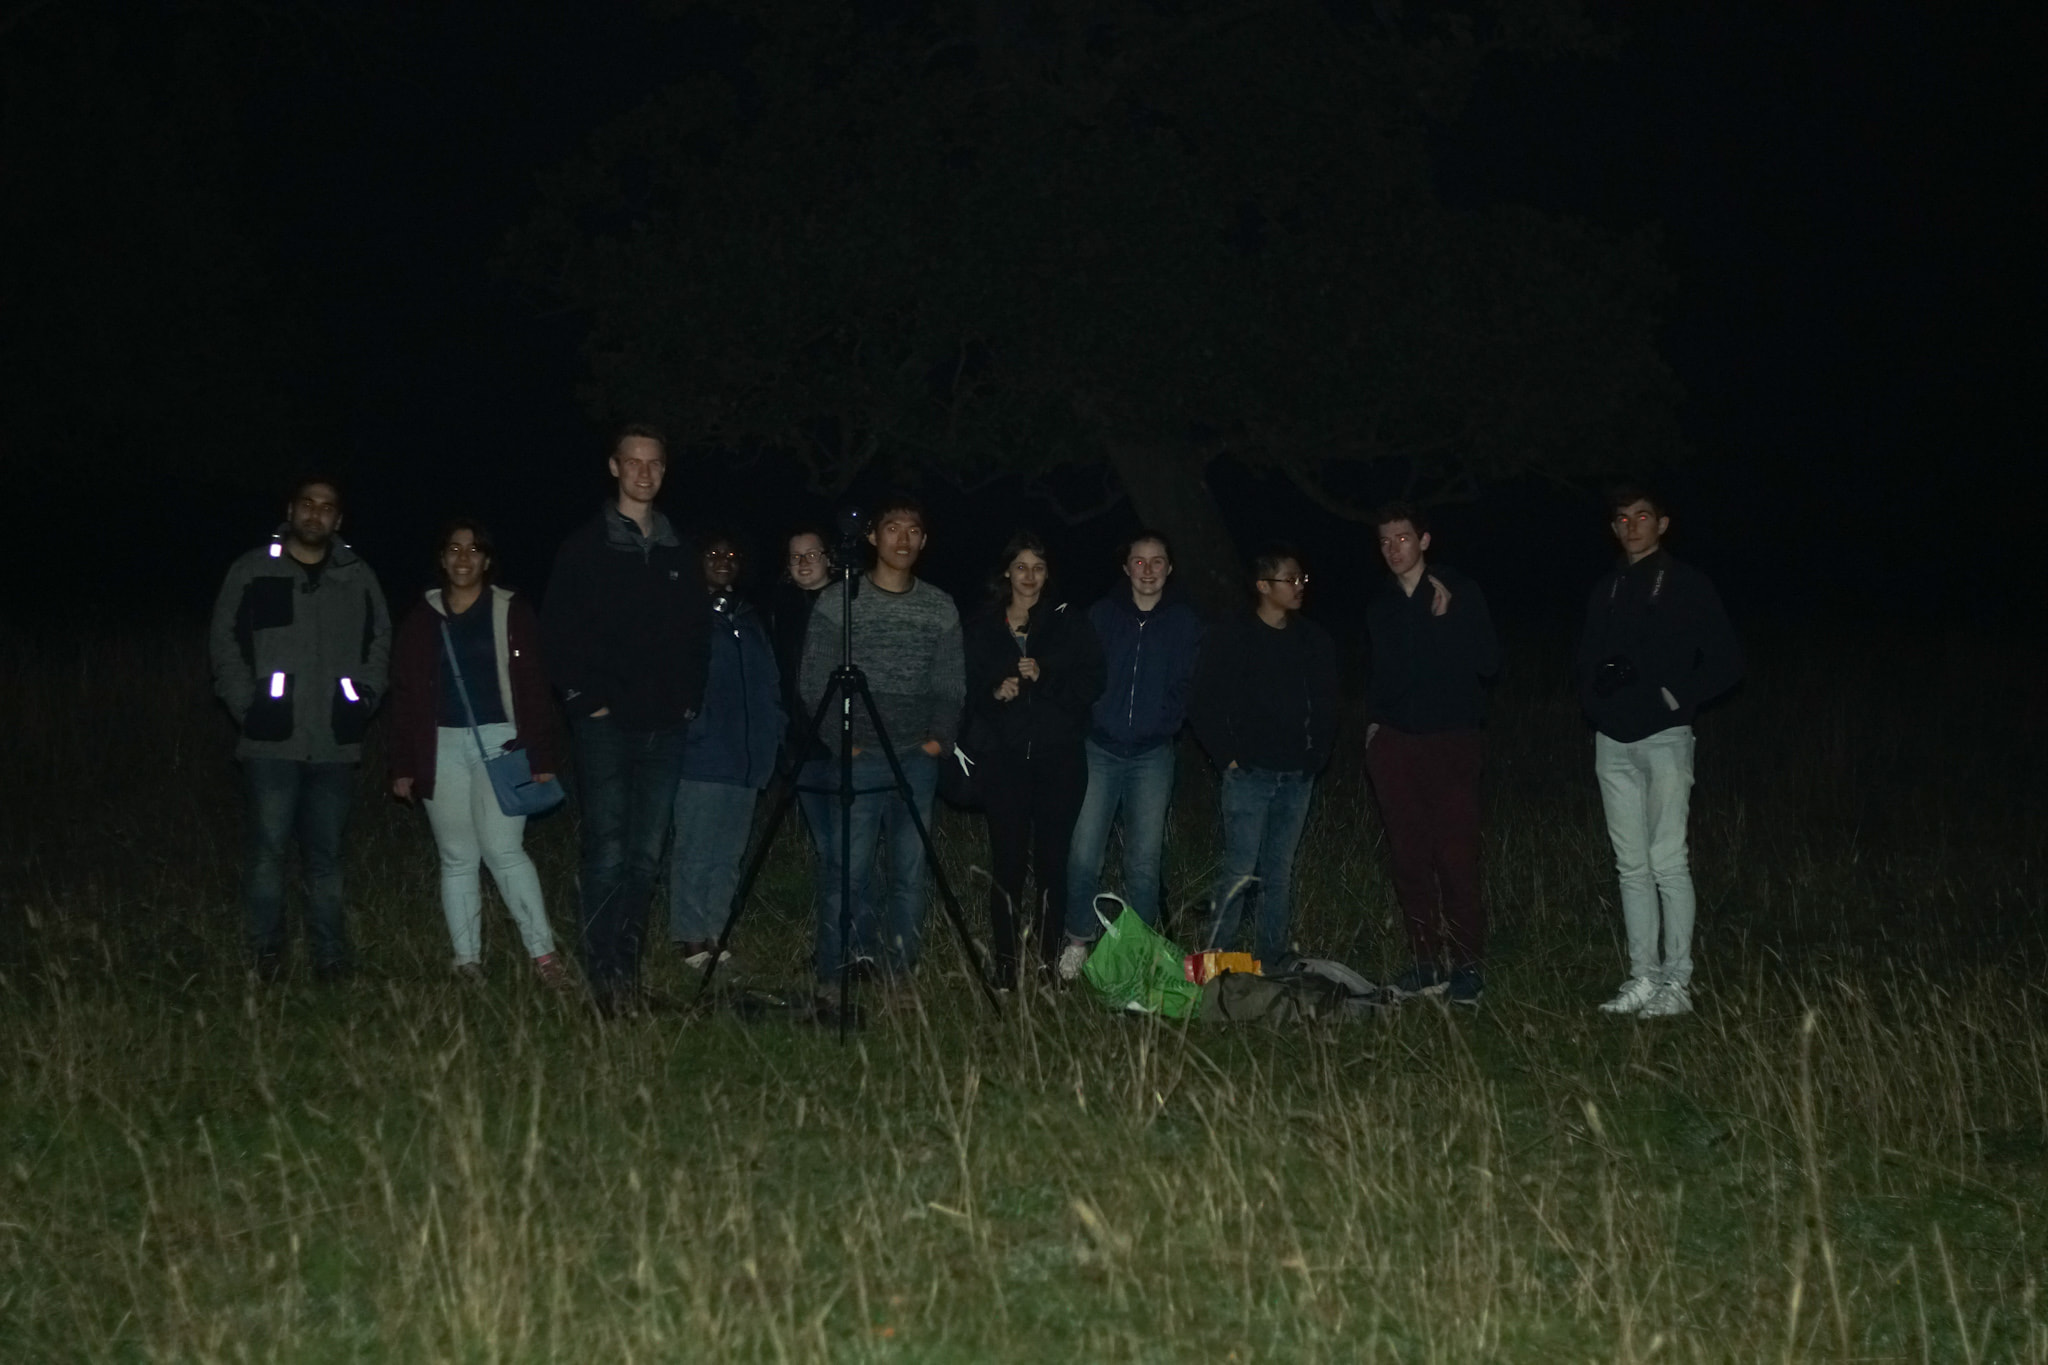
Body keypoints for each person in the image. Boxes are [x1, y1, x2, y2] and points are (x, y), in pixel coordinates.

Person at [541, 424, 711, 1016]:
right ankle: (601, 978)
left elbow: (697, 633)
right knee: (606, 852)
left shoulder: (677, 549)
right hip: (605, 726)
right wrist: (587, 701)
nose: (645, 472)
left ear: (664, 471)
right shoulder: (584, 547)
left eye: (655, 464)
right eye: (634, 462)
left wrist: (689, 697)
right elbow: (557, 633)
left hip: (665, 726)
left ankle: (626, 973)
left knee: (645, 856)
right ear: (614, 467)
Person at [208, 475, 391, 981]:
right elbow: (223, 641)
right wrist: (247, 706)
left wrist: (363, 700)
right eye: (307, 504)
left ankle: (331, 960)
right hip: (271, 743)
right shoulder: (252, 570)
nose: (316, 513)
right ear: (291, 510)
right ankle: (266, 959)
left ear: (338, 519)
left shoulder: (357, 576)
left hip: (334, 743)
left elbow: (380, 641)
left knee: (326, 859)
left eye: (327, 507)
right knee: (267, 856)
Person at [1577, 485, 1743, 1018]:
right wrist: (1594, 700)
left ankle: (1679, 981)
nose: (1632, 527)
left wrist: (1677, 696)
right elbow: (1586, 658)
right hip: (1613, 740)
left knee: (1668, 861)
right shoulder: (1606, 588)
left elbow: (1728, 661)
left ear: (1663, 524)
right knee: (1630, 865)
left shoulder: (1687, 583)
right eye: (1622, 518)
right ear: (1614, 527)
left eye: (1643, 516)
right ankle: (1642, 977)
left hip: (1666, 737)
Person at [796, 496, 965, 1001]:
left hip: (917, 757)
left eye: (913, 531)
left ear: (924, 541)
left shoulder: (939, 606)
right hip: (861, 757)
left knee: (909, 875)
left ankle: (899, 976)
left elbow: (951, 684)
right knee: (846, 870)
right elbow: (813, 680)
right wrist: (840, 743)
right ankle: (831, 973)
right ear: (874, 536)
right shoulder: (840, 600)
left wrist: (940, 741)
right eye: (892, 528)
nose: (903, 539)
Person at [386, 520, 568, 986]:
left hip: (501, 742)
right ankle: (467, 961)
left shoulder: (512, 610)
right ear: (442, 559)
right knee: (456, 856)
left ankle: (544, 957)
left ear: (487, 560)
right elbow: (405, 695)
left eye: (473, 550)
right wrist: (404, 765)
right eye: (453, 549)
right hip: (440, 744)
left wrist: (541, 757)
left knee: (504, 850)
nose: (463, 558)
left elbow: (534, 687)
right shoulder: (421, 618)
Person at [1363, 503, 1500, 1006]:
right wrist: (1375, 731)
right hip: (1396, 744)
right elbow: (1380, 677)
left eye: (1401, 539)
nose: (1393, 549)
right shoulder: (1380, 606)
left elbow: (1489, 664)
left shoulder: (1459, 592)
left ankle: (1467, 964)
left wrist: (1449, 620)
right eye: (1384, 542)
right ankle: (1424, 960)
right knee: (1409, 857)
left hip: (1451, 740)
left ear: (1423, 540)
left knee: (1456, 854)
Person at [961, 533, 1104, 987]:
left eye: (1038, 567)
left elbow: (1091, 685)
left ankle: (1046, 962)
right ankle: (1004, 963)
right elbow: (964, 688)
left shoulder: (1069, 623)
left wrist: (1045, 676)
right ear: (1007, 571)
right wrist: (993, 693)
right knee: (1006, 863)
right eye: (1020, 566)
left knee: (1051, 863)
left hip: (1058, 759)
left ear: (1048, 574)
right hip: (1004, 761)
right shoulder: (983, 625)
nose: (1029, 576)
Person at [1059, 531, 1204, 977]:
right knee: (1084, 852)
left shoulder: (1185, 622)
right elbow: (1080, 672)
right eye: (1138, 562)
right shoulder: (1102, 615)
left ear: (1169, 568)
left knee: (1144, 859)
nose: (1147, 570)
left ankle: (1139, 951)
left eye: (1156, 561)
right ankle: (1078, 940)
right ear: (1126, 568)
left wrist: (1164, 722)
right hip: (1099, 748)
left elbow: (1187, 684)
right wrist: (1094, 716)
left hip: (1152, 754)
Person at [1190, 547, 1339, 967]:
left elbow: (1328, 704)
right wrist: (1229, 758)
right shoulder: (1231, 635)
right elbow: (1203, 701)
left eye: (1301, 579)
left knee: (1279, 871)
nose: (1298, 587)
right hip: (1249, 773)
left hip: (1297, 775)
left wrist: (1317, 755)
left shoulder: (1314, 640)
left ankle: (1271, 959)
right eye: (1289, 580)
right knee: (1240, 870)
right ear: (1262, 586)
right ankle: (1215, 961)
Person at [667, 532, 782, 971]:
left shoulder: (750, 619)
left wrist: (774, 730)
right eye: (712, 554)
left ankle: (717, 933)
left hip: (748, 757)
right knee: (695, 850)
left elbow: (769, 680)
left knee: (729, 853)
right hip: (702, 755)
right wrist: (692, 724)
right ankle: (691, 938)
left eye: (731, 555)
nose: (722, 560)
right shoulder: (684, 613)